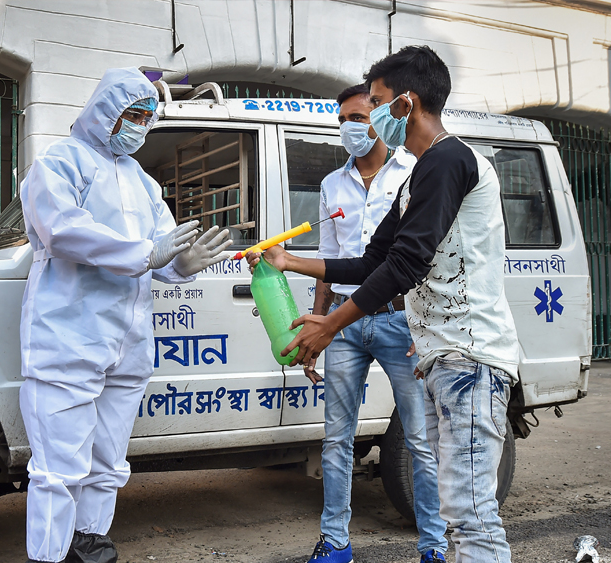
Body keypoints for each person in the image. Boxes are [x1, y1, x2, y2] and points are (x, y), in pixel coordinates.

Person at [249, 46, 518, 563]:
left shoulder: (448, 161)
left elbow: (406, 266)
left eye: (375, 102)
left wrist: (330, 326)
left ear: (405, 105)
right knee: (459, 514)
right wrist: (291, 265)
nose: (369, 117)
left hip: (471, 357)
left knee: (471, 518)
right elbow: (372, 261)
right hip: (443, 360)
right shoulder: (419, 176)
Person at [18, 67, 232, 563]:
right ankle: (49, 556)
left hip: (128, 343)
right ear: (104, 111)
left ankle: (91, 544)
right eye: (132, 114)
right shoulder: (59, 162)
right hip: (68, 338)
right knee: (58, 468)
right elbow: (63, 231)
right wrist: (146, 254)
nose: (139, 125)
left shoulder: (142, 182)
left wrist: (184, 263)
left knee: (108, 463)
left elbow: (164, 252)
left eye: (147, 118)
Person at [303, 83, 447, 563]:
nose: (349, 128)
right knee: (336, 439)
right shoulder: (330, 185)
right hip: (344, 323)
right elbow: (331, 259)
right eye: (342, 120)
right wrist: (320, 325)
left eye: (359, 118)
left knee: (419, 439)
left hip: (400, 321)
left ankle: (433, 547)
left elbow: (422, 258)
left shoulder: (415, 172)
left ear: (382, 117)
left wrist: (424, 326)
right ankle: (335, 542)